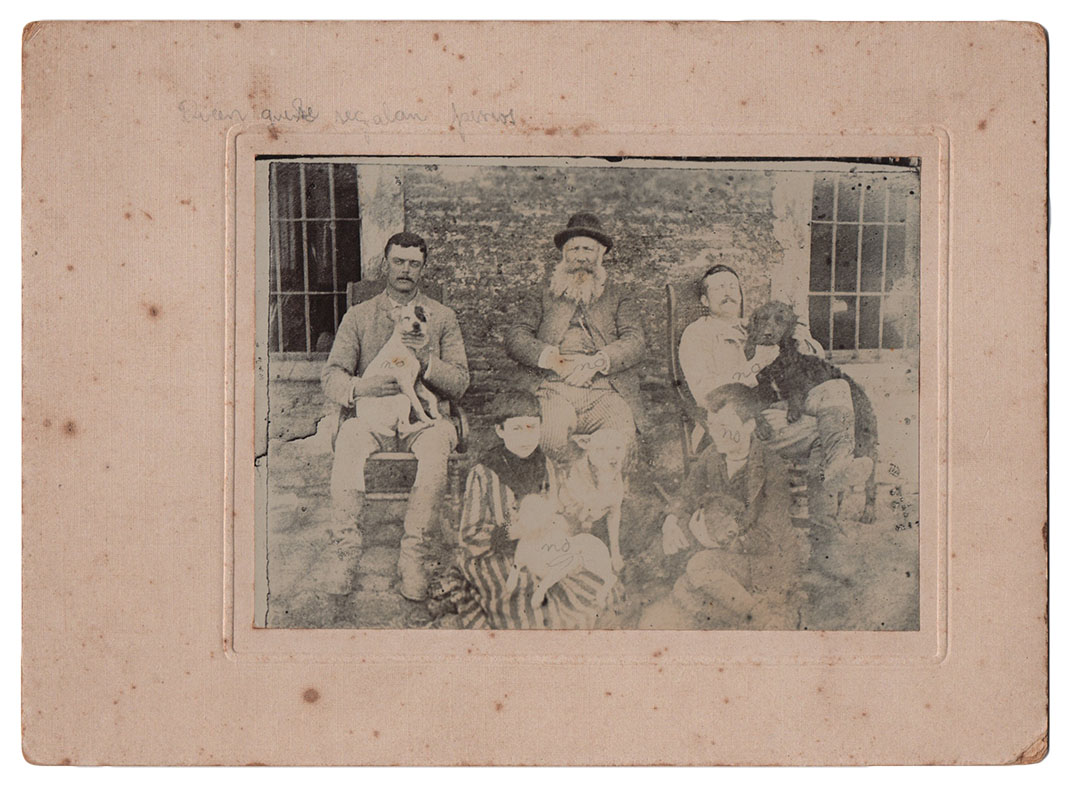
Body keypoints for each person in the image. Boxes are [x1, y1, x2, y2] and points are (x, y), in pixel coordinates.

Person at [320, 231, 469, 601]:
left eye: (414, 264)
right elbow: (332, 375)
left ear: (423, 268)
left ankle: (413, 558)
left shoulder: (442, 317)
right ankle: (345, 553)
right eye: (398, 261)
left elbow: (461, 382)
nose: (405, 270)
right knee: (348, 439)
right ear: (384, 264)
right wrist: (361, 387)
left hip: (424, 420)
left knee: (437, 447)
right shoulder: (359, 316)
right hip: (372, 417)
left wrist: (425, 360)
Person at [641, 383, 807, 629]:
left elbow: (769, 536)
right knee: (683, 589)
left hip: (764, 559)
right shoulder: (713, 455)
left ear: (749, 426)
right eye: (712, 426)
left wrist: (716, 542)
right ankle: (756, 614)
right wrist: (671, 520)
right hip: (726, 552)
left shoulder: (771, 467)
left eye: (725, 427)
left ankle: (764, 618)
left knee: (698, 568)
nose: (716, 434)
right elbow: (687, 493)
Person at [452, 392, 613, 629]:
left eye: (532, 428)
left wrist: (567, 520)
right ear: (500, 430)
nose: (525, 437)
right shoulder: (484, 472)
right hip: (496, 555)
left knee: (587, 582)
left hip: (543, 550)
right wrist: (517, 530)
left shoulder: (547, 466)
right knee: (525, 597)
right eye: (516, 429)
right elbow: (470, 534)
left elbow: (562, 510)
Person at [504, 213, 646, 465]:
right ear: (564, 254)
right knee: (550, 439)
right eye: (574, 249)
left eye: (588, 249)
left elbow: (635, 341)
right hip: (554, 389)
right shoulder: (542, 294)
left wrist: (594, 363)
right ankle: (567, 488)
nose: (581, 256)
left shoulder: (619, 296)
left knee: (622, 440)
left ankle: (600, 489)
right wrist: (555, 361)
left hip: (604, 389)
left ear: (601, 253)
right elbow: (516, 337)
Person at [678, 264, 823, 413]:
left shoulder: (757, 325)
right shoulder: (697, 334)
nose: (727, 293)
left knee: (834, 390)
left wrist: (801, 341)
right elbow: (705, 393)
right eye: (718, 288)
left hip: (785, 401)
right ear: (705, 300)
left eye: (733, 287)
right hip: (742, 415)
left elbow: (816, 357)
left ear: (740, 297)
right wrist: (758, 363)